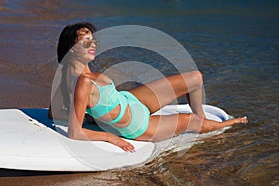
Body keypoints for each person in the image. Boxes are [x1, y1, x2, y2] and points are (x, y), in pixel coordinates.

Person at [49, 22, 248, 152]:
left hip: (132, 100)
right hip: (137, 124)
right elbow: (75, 133)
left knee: (195, 78)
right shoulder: (82, 82)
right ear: (71, 49)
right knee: (193, 121)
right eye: (85, 43)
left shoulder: (70, 74)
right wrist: (110, 137)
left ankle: (204, 117)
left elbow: (52, 113)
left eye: (93, 40)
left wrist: (90, 114)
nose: (93, 45)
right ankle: (228, 124)